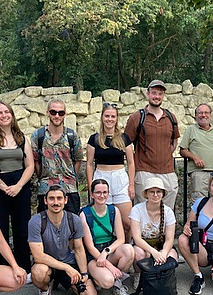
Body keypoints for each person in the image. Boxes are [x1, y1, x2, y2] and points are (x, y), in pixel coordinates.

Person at [0, 101, 34, 273]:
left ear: (12, 115)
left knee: (22, 229)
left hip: (20, 185)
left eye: (6, 112)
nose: (4, 115)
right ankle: (0, 269)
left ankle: (24, 268)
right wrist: (3, 187)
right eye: (0, 113)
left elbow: (30, 165)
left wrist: (18, 186)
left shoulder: (21, 137)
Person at [28, 185, 96, 295]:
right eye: (52, 198)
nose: (56, 202)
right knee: (38, 272)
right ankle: (44, 290)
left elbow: (79, 248)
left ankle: (59, 280)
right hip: (47, 264)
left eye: (59, 198)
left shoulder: (74, 220)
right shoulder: (36, 221)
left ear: (65, 200)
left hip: (68, 261)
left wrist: (84, 273)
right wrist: (67, 268)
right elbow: (38, 256)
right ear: (45, 201)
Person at [124, 80, 180, 210]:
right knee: (143, 211)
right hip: (144, 171)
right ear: (147, 94)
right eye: (154, 93)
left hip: (168, 171)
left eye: (160, 94)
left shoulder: (171, 117)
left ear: (163, 95)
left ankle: (165, 231)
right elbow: (126, 143)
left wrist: (164, 154)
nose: (157, 96)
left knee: (167, 210)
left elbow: (174, 141)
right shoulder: (137, 117)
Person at [80, 179, 134, 295]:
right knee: (107, 281)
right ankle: (100, 277)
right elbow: (89, 247)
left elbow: (121, 238)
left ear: (108, 194)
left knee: (128, 250)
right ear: (92, 194)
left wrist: (106, 252)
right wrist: (109, 266)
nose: (101, 195)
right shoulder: (85, 214)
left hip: (108, 250)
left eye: (105, 192)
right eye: (98, 192)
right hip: (93, 256)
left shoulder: (113, 210)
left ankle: (119, 286)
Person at [86, 103, 135, 236]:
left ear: (117, 118)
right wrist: (90, 184)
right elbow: (89, 164)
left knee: (127, 222)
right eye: (107, 116)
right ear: (102, 117)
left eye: (113, 116)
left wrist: (131, 184)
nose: (110, 119)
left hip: (120, 178)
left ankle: (126, 249)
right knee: (104, 219)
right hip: (101, 177)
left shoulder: (124, 138)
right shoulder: (94, 139)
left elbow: (131, 163)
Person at [32, 98, 83, 214]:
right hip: (46, 189)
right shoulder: (38, 135)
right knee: (46, 227)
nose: (57, 116)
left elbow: (78, 160)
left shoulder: (72, 136)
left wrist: (69, 177)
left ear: (65, 114)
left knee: (72, 225)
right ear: (47, 113)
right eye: (53, 112)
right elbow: (36, 161)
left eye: (61, 113)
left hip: (69, 189)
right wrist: (43, 176)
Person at [130, 177, 178, 288]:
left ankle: (163, 278)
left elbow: (170, 239)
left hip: (161, 243)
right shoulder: (137, 210)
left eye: (158, 192)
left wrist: (163, 254)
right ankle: (139, 275)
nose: (155, 195)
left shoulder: (168, 212)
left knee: (172, 256)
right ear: (146, 194)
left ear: (163, 194)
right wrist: (154, 253)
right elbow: (137, 238)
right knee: (139, 253)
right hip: (143, 244)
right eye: (152, 192)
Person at [180, 103, 213, 202]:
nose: (203, 115)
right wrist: (194, 157)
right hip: (199, 172)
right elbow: (182, 150)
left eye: (206, 112)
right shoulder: (191, 130)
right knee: (199, 203)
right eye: (200, 113)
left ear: (210, 115)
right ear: (196, 116)